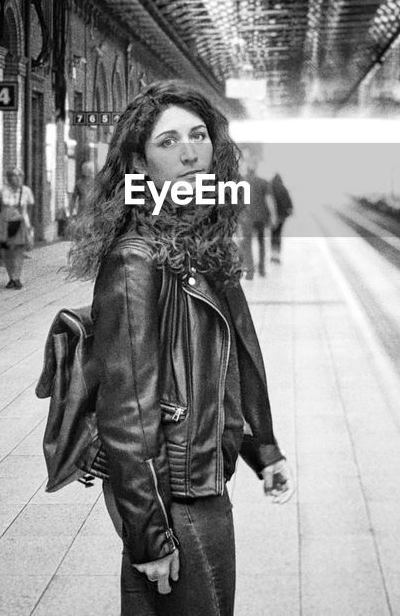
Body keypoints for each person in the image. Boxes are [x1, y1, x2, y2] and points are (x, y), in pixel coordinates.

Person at [66, 80, 294, 616]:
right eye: (168, 141)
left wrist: (264, 448)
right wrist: (149, 533)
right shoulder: (138, 260)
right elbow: (127, 409)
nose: (190, 150)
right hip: (177, 497)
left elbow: (235, 359)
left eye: (198, 135)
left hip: (199, 484)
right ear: (141, 166)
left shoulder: (199, 245)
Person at [0, 168, 34, 289]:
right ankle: (11, 277)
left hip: (20, 223)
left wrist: (28, 224)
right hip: (5, 225)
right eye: (13, 176)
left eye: (19, 176)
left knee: (18, 250)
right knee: (6, 252)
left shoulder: (26, 191)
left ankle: (16, 277)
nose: (17, 179)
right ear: (8, 178)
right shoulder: (2, 191)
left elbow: (30, 207)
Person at [239, 158, 275, 279]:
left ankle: (249, 271)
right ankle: (262, 269)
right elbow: (269, 200)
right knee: (261, 243)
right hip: (261, 218)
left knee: (247, 244)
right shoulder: (263, 182)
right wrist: (273, 215)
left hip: (246, 218)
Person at [268, 172, 293, 264]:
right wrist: (289, 211)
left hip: (272, 216)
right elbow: (288, 201)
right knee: (278, 234)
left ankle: (273, 254)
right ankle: (277, 255)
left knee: (273, 234)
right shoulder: (283, 188)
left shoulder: (270, 188)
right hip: (282, 216)